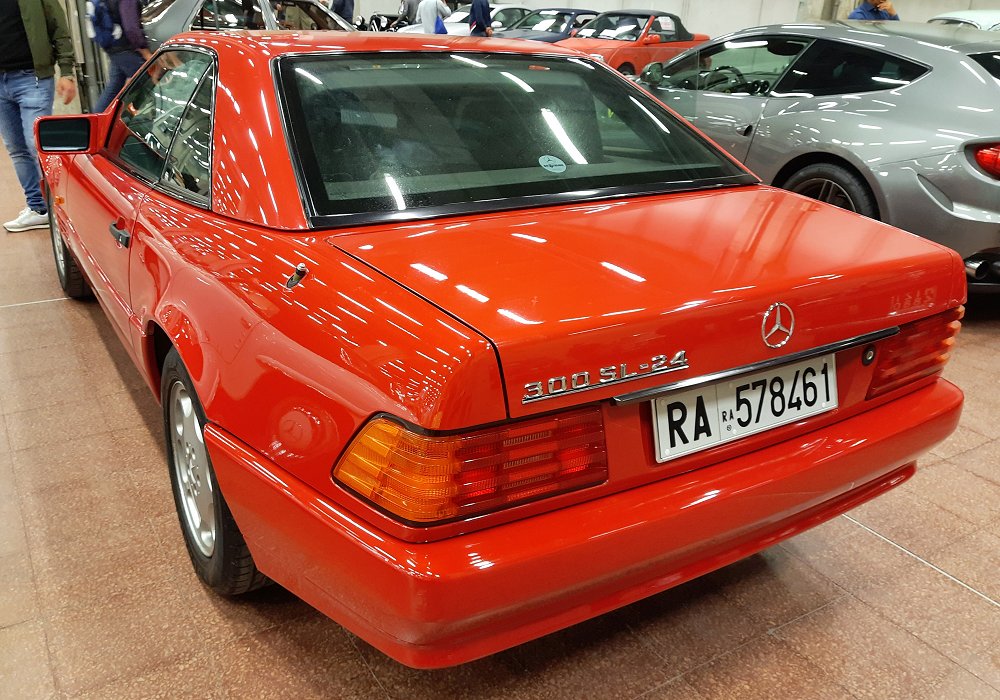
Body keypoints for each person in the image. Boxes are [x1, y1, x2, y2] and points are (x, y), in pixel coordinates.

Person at [1, 0, 77, 232]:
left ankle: (62, 208)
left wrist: (66, 71)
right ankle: (38, 208)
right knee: (16, 148)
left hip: (31, 78)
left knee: (38, 147)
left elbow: (58, 28)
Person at [93, 0, 152, 113]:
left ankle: (96, 121)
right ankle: (140, 121)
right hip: (125, 49)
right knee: (148, 84)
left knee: (114, 89)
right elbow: (131, 28)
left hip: (115, 48)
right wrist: (144, 50)